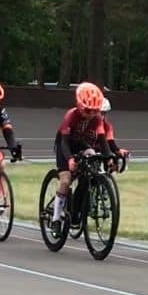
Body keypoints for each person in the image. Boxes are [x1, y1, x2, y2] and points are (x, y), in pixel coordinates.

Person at [49, 83, 112, 233]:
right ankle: (56, 219)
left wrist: (108, 158)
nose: (91, 114)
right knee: (65, 180)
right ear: (79, 105)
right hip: (65, 144)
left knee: (88, 171)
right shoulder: (71, 115)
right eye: (88, 110)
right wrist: (70, 159)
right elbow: (64, 142)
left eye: (95, 111)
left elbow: (102, 140)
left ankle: (76, 211)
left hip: (80, 143)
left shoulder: (97, 118)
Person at [100, 98, 130, 170]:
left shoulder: (107, 126)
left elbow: (110, 141)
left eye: (104, 113)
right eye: (100, 113)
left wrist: (118, 150)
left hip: (102, 148)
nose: (102, 116)